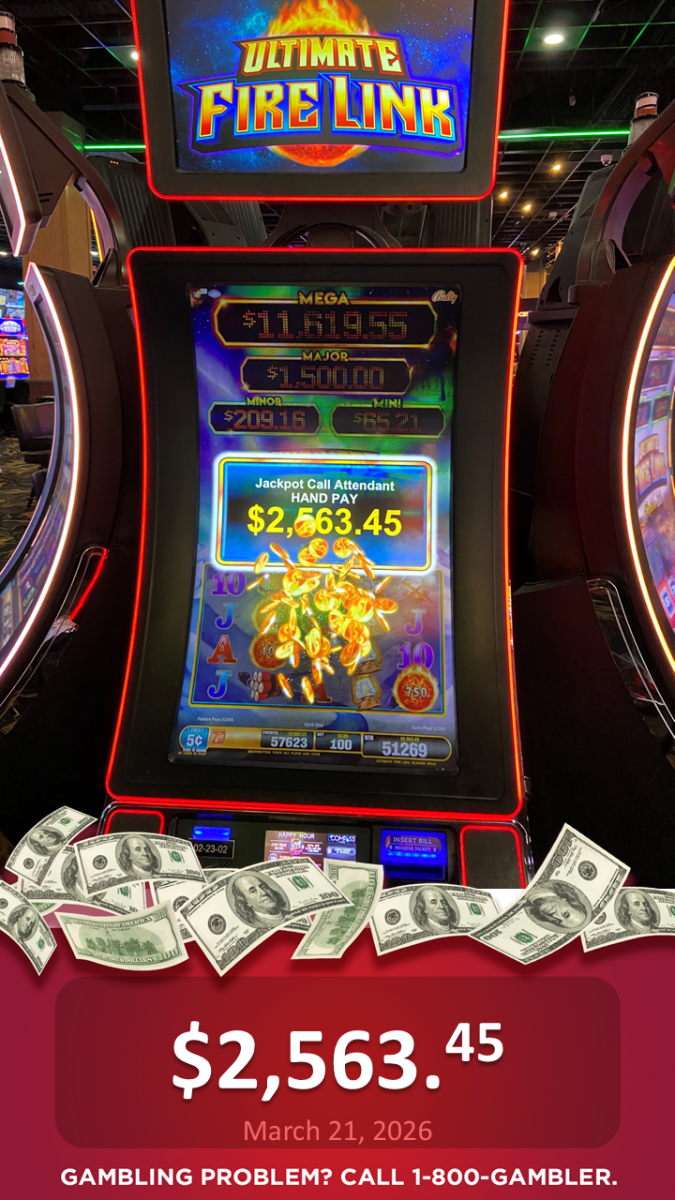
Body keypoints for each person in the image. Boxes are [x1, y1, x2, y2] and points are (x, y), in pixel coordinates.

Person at [524, 880, 589, 932]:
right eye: (565, 914)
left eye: (557, 921)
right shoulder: (546, 884)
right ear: (566, 900)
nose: (554, 916)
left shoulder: (525, 904)